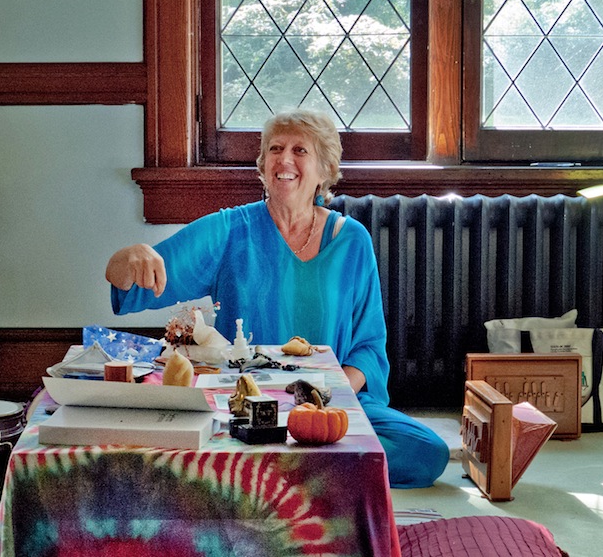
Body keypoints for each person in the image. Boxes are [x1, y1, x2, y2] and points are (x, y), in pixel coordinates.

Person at [106, 108, 449, 488]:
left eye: (300, 150)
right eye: (275, 149)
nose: (284, 160)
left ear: (324, 170)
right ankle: (304, 472)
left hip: (330, 402)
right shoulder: (231, 229)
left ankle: (271, 474)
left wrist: (323, 399)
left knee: (426, 452)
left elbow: (368, 347)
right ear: (263, 165)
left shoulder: (352, 240)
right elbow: (141, 280)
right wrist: (126, 259)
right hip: (250, 405)